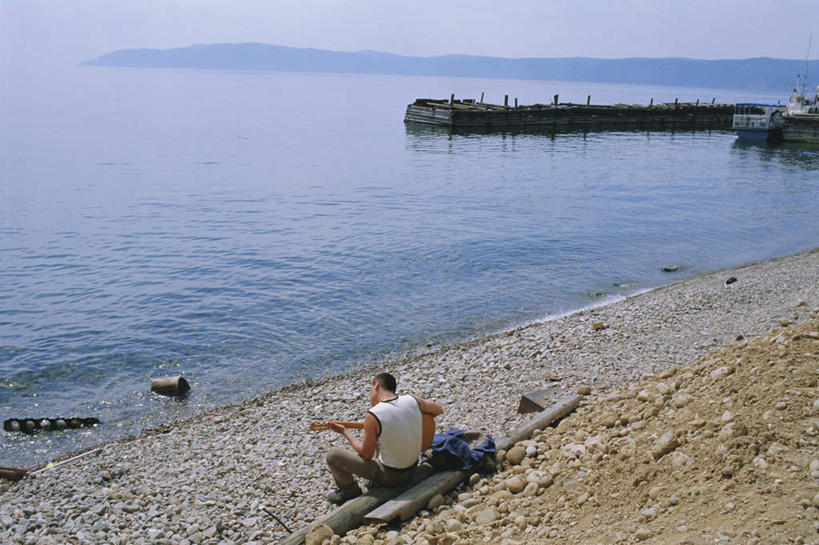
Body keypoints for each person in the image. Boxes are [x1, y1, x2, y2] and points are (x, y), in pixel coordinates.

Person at [325, 372, 444, 504]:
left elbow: (366, 454)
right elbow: (438, 409)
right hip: (413, 467)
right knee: (382, 436)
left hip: (391, 477)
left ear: (376, 385)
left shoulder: (373, 415)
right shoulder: (412, 400)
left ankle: (349, 492)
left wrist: (344, 431)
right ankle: (371, 481)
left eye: (370, 390)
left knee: (333, 455)